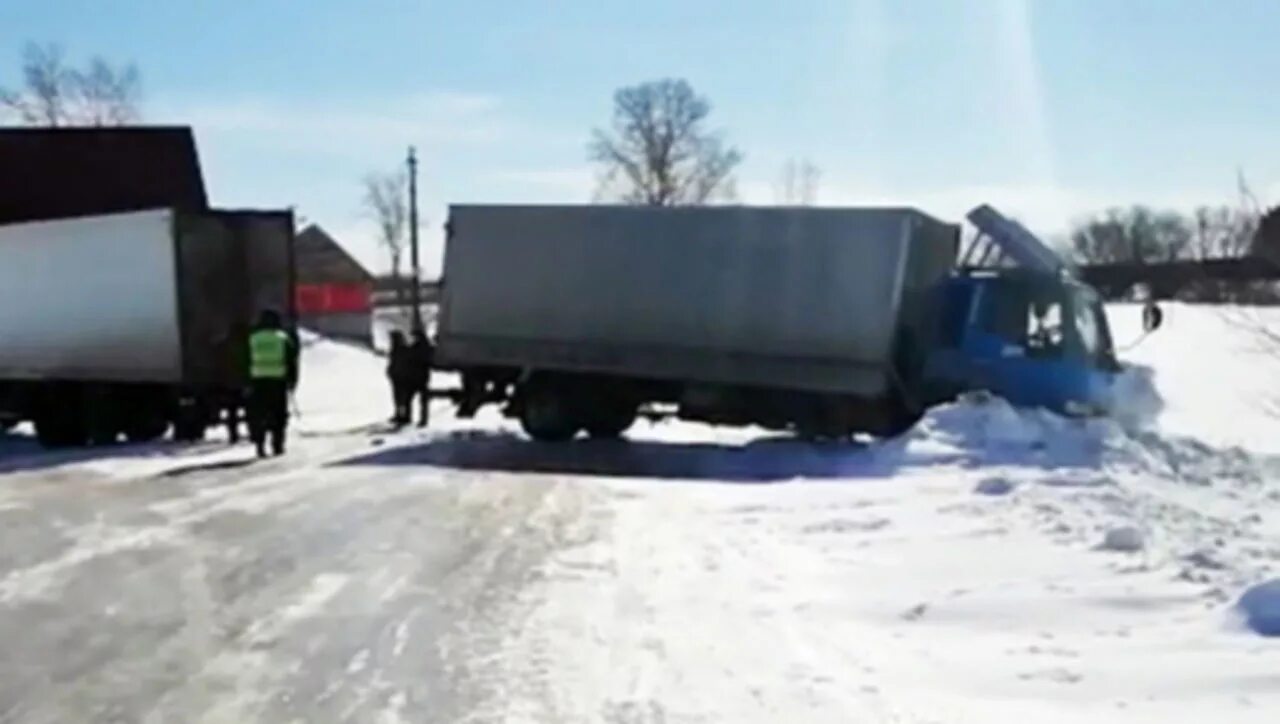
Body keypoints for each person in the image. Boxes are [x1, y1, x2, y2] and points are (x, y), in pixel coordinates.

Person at [247, 309, 299, 457]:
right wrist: (292, 381)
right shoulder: (282, 338)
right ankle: (277, 445)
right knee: (278, 415)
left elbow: (245, 360)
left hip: (258, 381)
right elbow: (291, 362)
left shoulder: (253, 338)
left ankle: (260, 445)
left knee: (259, 414)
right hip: (278, 382)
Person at [386, 331, 414, 427]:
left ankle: (404, 415)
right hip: (397, 376)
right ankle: (399, 413)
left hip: (402, 376)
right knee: (397, 397)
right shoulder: (396, 349)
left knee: (403, 397)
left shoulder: (402, 349)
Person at [408, 329, 435, 427]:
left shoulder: (416, 347)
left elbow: (411, 358)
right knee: (423, 400)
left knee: (410, 398)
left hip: (416, 376)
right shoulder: (427, 347)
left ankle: (410, 417)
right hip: (423, 376)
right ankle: (423, 419)